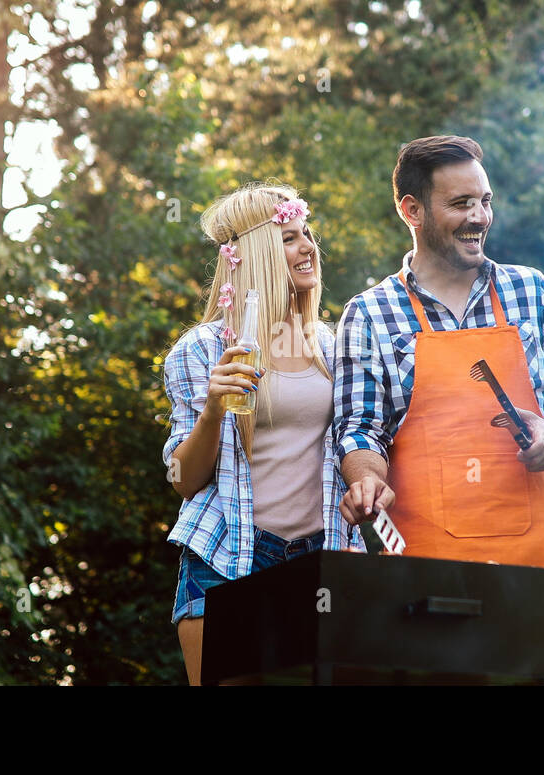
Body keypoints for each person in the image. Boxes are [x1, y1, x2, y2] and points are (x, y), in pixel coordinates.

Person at [333, 135, 544, 683]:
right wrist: (365, 480)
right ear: (411, 210)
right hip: (428, 571)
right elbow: (359, 428)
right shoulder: (370, 314)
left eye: (484, 201)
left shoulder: (529, 290)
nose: (479, 217)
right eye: (460, 204)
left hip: (540, 565)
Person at [162, 183, 363, 685]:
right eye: (290, 239)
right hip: (227, 557)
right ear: (255, 256)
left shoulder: (331, 345)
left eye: (307, 234)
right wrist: (212, 408)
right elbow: (184, 480)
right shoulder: (203, 349)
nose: (308, 247)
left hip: (318, 562)